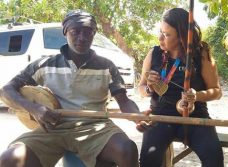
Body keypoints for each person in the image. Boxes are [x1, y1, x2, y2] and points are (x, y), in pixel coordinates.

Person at [0, 10, 139, 167]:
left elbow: (124, 101)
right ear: (65, 32)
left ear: (94, 34)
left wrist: (139, 116)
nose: (82, 37)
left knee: (128, 149)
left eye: (88, 32)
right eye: (75, 31)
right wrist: (34, 108)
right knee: (10, 158)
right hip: (52, 129)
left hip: (96, 129)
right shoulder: (45, 64)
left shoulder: (106, 66)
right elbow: (6, 89)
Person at [137, 8, 224, 167]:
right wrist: (149, 88)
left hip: (196, 117)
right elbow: (141, 88)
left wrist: (196, 96)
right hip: (160, 117)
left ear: (183, 36)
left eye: (167, 35)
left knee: (214, 159)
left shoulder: (201, 53)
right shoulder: (154, 53)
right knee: (148, 161)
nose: (160, 38)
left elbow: (216, 91)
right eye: (160, 32)